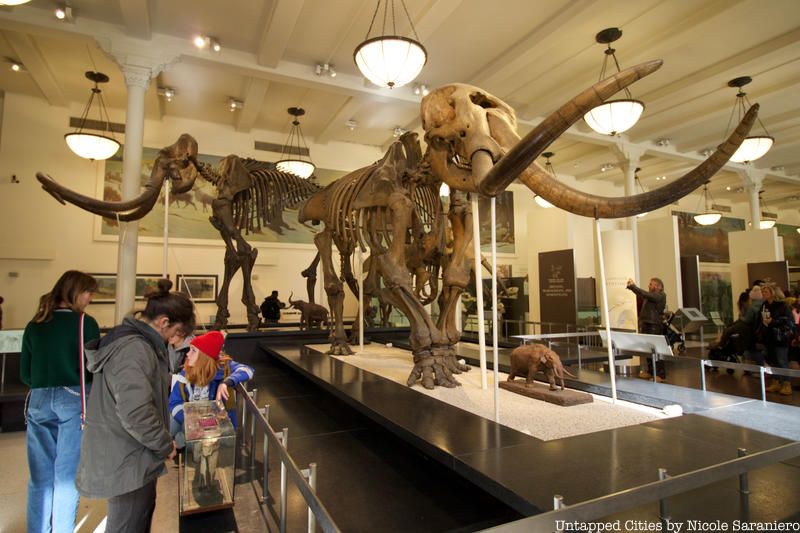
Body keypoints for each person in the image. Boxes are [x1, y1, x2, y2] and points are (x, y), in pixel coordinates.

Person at [76, 279, 195, 533]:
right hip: (127, 459)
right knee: (128, 524)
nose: (175, 341)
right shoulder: (134, 349)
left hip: (129, 455)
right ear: (163, 322)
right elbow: (135, 411)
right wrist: (165, 443)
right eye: (176, 333)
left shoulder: (132, 344)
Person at [21, 271, 100, 533]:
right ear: (76, 292)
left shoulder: (35, 324)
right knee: (65, 476)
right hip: (73, 398)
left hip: (39, 399)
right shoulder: (84, 323)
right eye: (88, 292)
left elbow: (25, 373)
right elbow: (92, 367)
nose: (90, 298)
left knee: (39, 477)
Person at [168, 331, 254, 452]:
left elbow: (248, 370)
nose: (187, 354)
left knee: (193, 441)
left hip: (216, 425)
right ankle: (178, 443)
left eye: (193, 350)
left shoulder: (224, 368)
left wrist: (226, 382)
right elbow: (174, 403)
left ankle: (182, 443)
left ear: (204, 356)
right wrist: (192, 422)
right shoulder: (185, 373)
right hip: (191, 421)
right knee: (170, 425)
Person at [757, 282, 795, 396]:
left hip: (780, 338)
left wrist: (773, 321)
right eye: (762, 291)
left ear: (773, 293)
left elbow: (789, 321)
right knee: (773, 360)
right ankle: (776, 382)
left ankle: (787, 384)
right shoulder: (764, 305)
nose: (764, 293)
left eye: (766, 291)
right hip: (769, 337)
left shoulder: (782, 305)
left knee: (782, 361)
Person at [626, 277, 667, 381]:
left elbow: (645, 294)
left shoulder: (661, 295)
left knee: (655, 349)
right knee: (648, 349)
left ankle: (660, 374)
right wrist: (632, 288)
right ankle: (651, 371)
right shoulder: (650, 296)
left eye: (651, 284)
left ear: (658, 286)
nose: (649, 285)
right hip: (647, 324)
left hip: (654, 326)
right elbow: (642, 294)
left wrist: (633, 287)